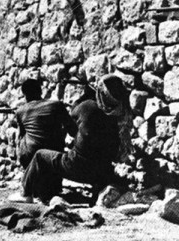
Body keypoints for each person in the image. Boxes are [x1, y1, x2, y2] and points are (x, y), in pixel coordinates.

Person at [15, 74, 130, 204]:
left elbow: (74, 114)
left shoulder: (88, 106)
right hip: (102, 172)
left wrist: (85, 95)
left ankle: (25, 194)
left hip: (78, 167)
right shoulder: (118, 118)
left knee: (40, 155)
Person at [15, 78, 77, 170]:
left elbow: (21, 136)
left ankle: (26, 169)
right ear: (40, 91)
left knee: (21, 136)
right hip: (54, 153)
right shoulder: (56, 105)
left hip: (32, 156)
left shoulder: (20, 111)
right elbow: (73, 130)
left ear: (25, 95)